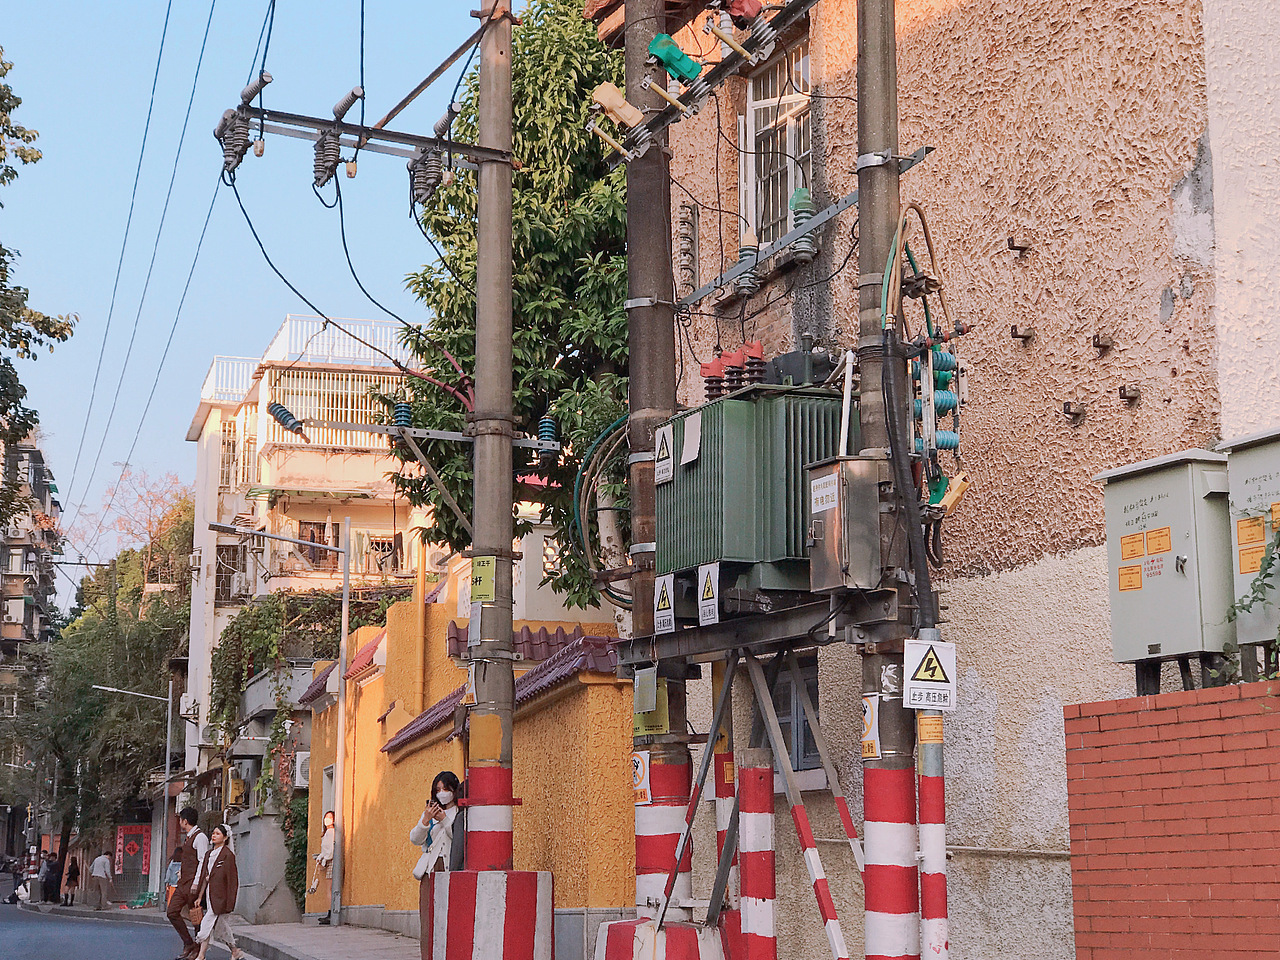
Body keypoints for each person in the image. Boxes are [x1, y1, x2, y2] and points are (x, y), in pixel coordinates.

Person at [411, 771, 462, 960]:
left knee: (448, 917)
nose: (442, 793)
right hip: (430, 869)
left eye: (446, 789)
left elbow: (458, 838)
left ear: (454, 790)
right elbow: (416, 839)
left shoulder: (459, 812)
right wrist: (425, 820)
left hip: (450, 867)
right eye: (438, 789)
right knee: (428, 917)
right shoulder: (431, 812)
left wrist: (445, 820)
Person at [192, 824, 244, 960]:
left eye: (218, 834)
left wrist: (230, 901)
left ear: (225, 837)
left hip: (220, 897)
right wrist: (200, 896)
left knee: (206, 924)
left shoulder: (228, 855)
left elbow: (232, 880)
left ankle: (201, 955)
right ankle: (234, 950)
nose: (214, 836)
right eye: (213, 833)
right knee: (220, 927)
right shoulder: (209, 854)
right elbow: (205, 877)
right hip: (209, 894)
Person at [167, 807, 209, 959]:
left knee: (196, 917)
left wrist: (196, 883)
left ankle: (198, 948)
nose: (179, 822)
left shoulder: (200, 837)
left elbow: (203, 862)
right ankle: (188, 942)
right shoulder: (189, 837)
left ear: (185, 821)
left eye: (180, 820)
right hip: (183, 883)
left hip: (193, 885)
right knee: (171, 911)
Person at [308, 810, 335, 924]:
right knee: (328, 889)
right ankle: (330, 912)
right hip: (327, 861)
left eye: (329, 817)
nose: (327, 819)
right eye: (326, 817)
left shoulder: (331, 832)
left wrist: (323, 859)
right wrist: (320, 857)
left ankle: (331, 913)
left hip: (330, 861)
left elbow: (330, 850)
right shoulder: (327, 833)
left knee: (329, 889)